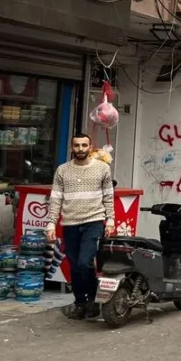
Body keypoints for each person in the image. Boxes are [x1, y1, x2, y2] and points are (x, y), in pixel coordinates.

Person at [45, 133, 115, 319]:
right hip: (70, 223)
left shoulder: (102, 169)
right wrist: (51, 224)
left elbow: (108, 197)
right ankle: (80, 303)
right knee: (75, 265)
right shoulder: (62, 170)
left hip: (93, 221)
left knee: (85, 262)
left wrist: (110, 220)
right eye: (77, 146)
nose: (80, 149)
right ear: (71, 148)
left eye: (84, 145)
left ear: (90, 147)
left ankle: (93, 300)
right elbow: (56, 199)